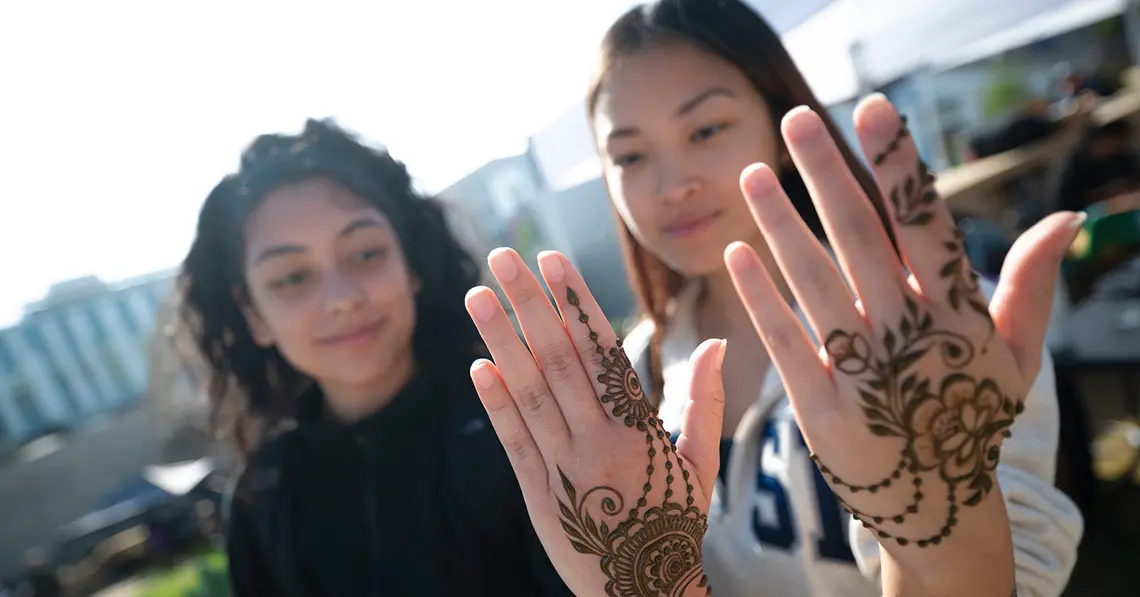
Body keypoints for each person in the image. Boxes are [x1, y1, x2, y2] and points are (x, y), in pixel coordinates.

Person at [466, 2, 1084, 596]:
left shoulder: (929, 338)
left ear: (780, 126)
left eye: (706, 129)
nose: (671, 184)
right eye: (629, 155)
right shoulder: (635, 373)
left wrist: (942, 544)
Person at [180, 119, 572, 597]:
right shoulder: (261, 499)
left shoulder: (528, 429)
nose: (341, 298)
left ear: (412, 264)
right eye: (291, 277)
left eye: (365, 254)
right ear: (253, 314)